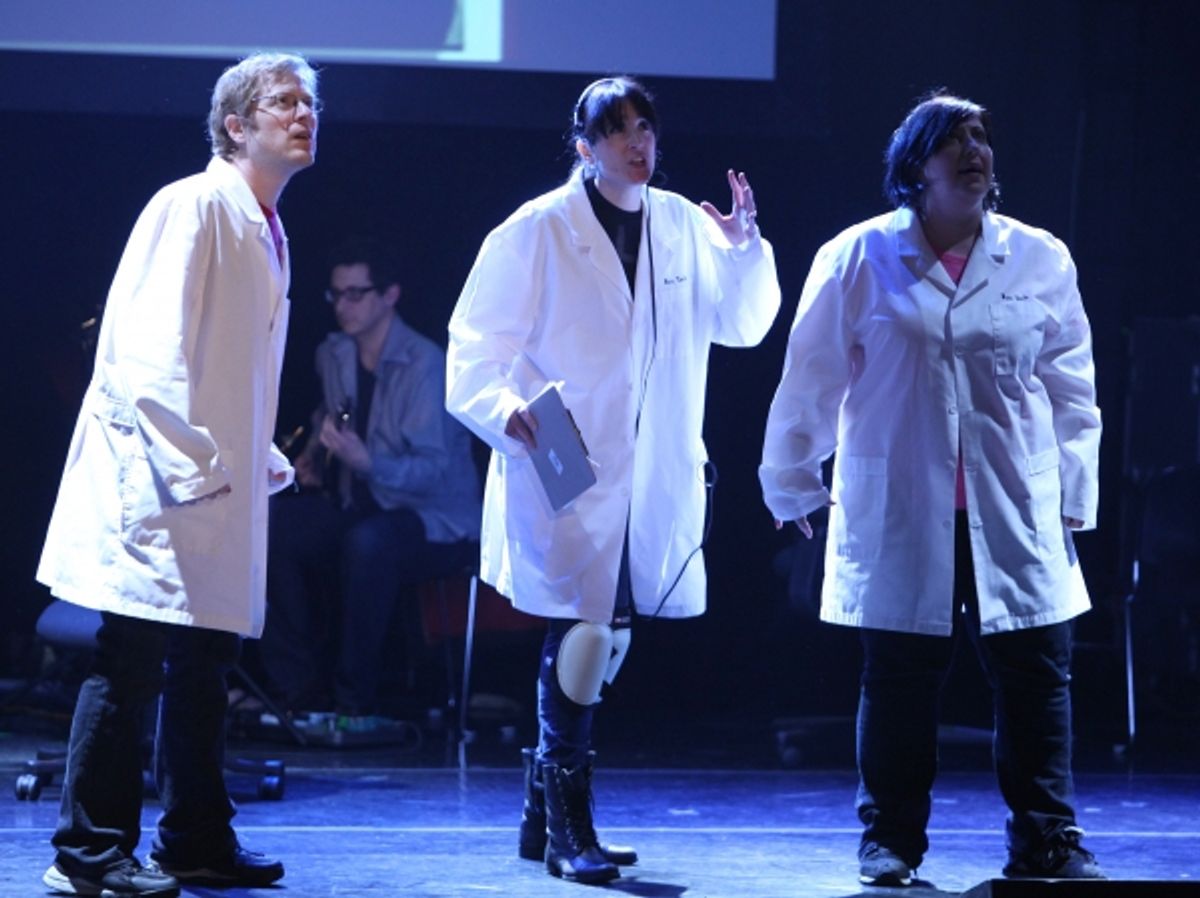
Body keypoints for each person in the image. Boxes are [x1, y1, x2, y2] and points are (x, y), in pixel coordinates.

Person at [760, 92, 1104, 886]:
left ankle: (1047, 838)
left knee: (1034, 674)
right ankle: (889, 844)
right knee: (901, 681)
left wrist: (1073, 492)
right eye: (955, 138)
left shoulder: (1039, 257)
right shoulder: (858, 256)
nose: (975, 150)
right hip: (903, 507)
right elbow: (808, 378)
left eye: (982, 136)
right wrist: (792, 480)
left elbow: (1071, 387)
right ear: (917, 164)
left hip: (1014, 505)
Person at [446, 76, 781, 884]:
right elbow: (473, 347)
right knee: (582, 630)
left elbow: (742, 327)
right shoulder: (537, 228)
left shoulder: (679, 224)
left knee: (612, 630)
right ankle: (569, 827)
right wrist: (505, 408)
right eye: (617, 129)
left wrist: (742, 249)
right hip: (560, 452)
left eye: (646, 126)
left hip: (654, 463)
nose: (638, 141)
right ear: (584, 145)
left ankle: (540, 814)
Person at [35, 53, 319, 897]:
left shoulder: (264, 223)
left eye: (310, 102)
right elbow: (148, 353)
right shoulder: (192, 204)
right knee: (130, 656)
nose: (304, 113)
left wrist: (254, 451)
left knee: (205, 659)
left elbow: (232, 365)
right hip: (159, 477)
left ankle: (194, 837)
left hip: (210, 475)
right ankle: (86, 853)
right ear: (236, 125)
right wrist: (195, 460)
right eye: (283, 102)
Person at [258, 237, 482, 730]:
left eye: (357, 294)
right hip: (362, 504)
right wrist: (315, 455)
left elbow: (436, 471)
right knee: (272, 525)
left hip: (436, 518)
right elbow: (329, 415)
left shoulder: (424, 364)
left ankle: (352, 702)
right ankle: (297, 690)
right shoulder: (334, 353)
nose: (344, 306)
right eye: (337, 294)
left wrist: (366, 462)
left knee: (369, 544)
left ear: (389, 296)